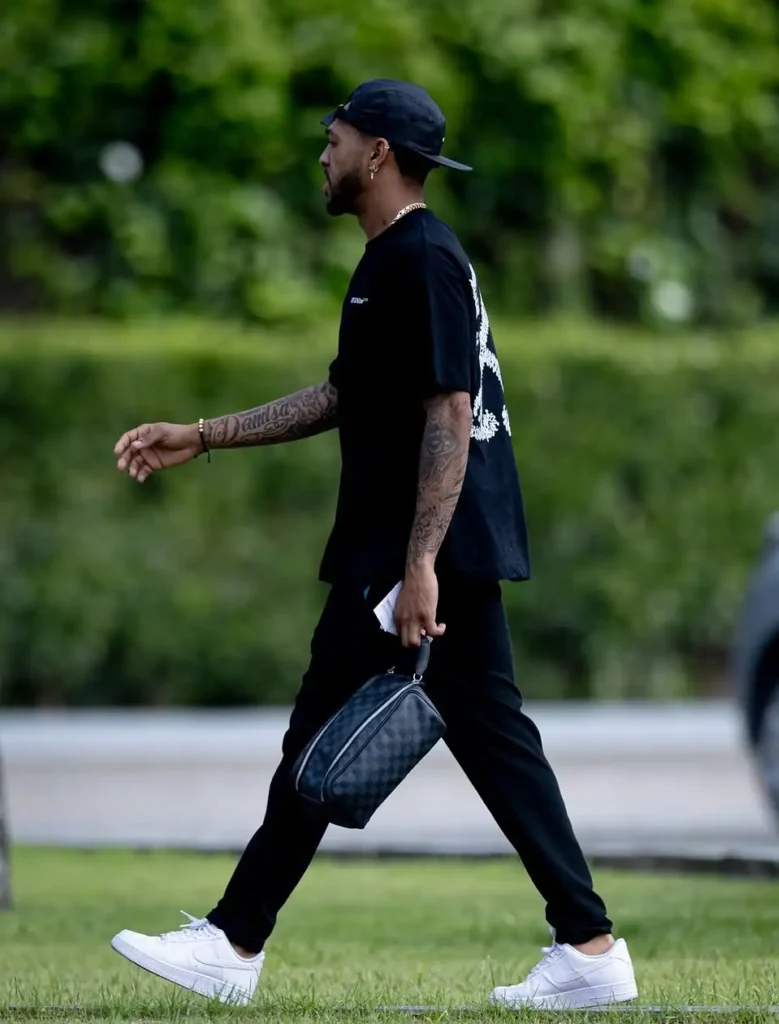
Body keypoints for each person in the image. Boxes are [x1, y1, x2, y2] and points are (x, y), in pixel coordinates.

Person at [109, 79, 638, 1011]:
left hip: (409, 554)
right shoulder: (393, 259)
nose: (324, 155)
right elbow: (343, 395)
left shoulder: (420, 259)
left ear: (378, 153)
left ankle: (234, 941)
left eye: (336, 138)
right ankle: (587, 946)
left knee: (324, 734)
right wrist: (204, 434)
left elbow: (449, 410)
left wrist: (419, 562)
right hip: (420, 550)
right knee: (495, 743)